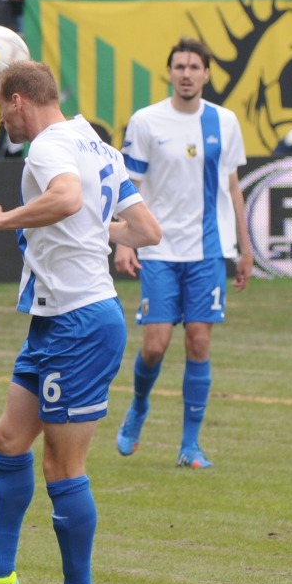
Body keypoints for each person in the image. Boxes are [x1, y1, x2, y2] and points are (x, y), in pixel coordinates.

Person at [0, 61, 162, 584]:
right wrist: (93, 232)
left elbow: (65, 196)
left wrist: (2, 218)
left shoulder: (46, 148)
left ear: (15, 101)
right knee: (9, 439)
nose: (1, 117)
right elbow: (145, 229)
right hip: (55, 319)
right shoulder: (97, 143)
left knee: (63, 468)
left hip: (81, 324)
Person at [114, 37, 253, 469]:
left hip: (208, 250)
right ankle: (138, 406)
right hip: (158, 248)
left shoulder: (225, 122)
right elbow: (127, 188)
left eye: (195, 67)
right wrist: (123, 241)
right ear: (169, 72)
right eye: (180, 67)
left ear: (207, 73)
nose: (187, 74)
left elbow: (233, 187)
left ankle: (189, 446)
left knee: (198, 340)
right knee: (154, 346)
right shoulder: (146, 121)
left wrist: (245, 249)